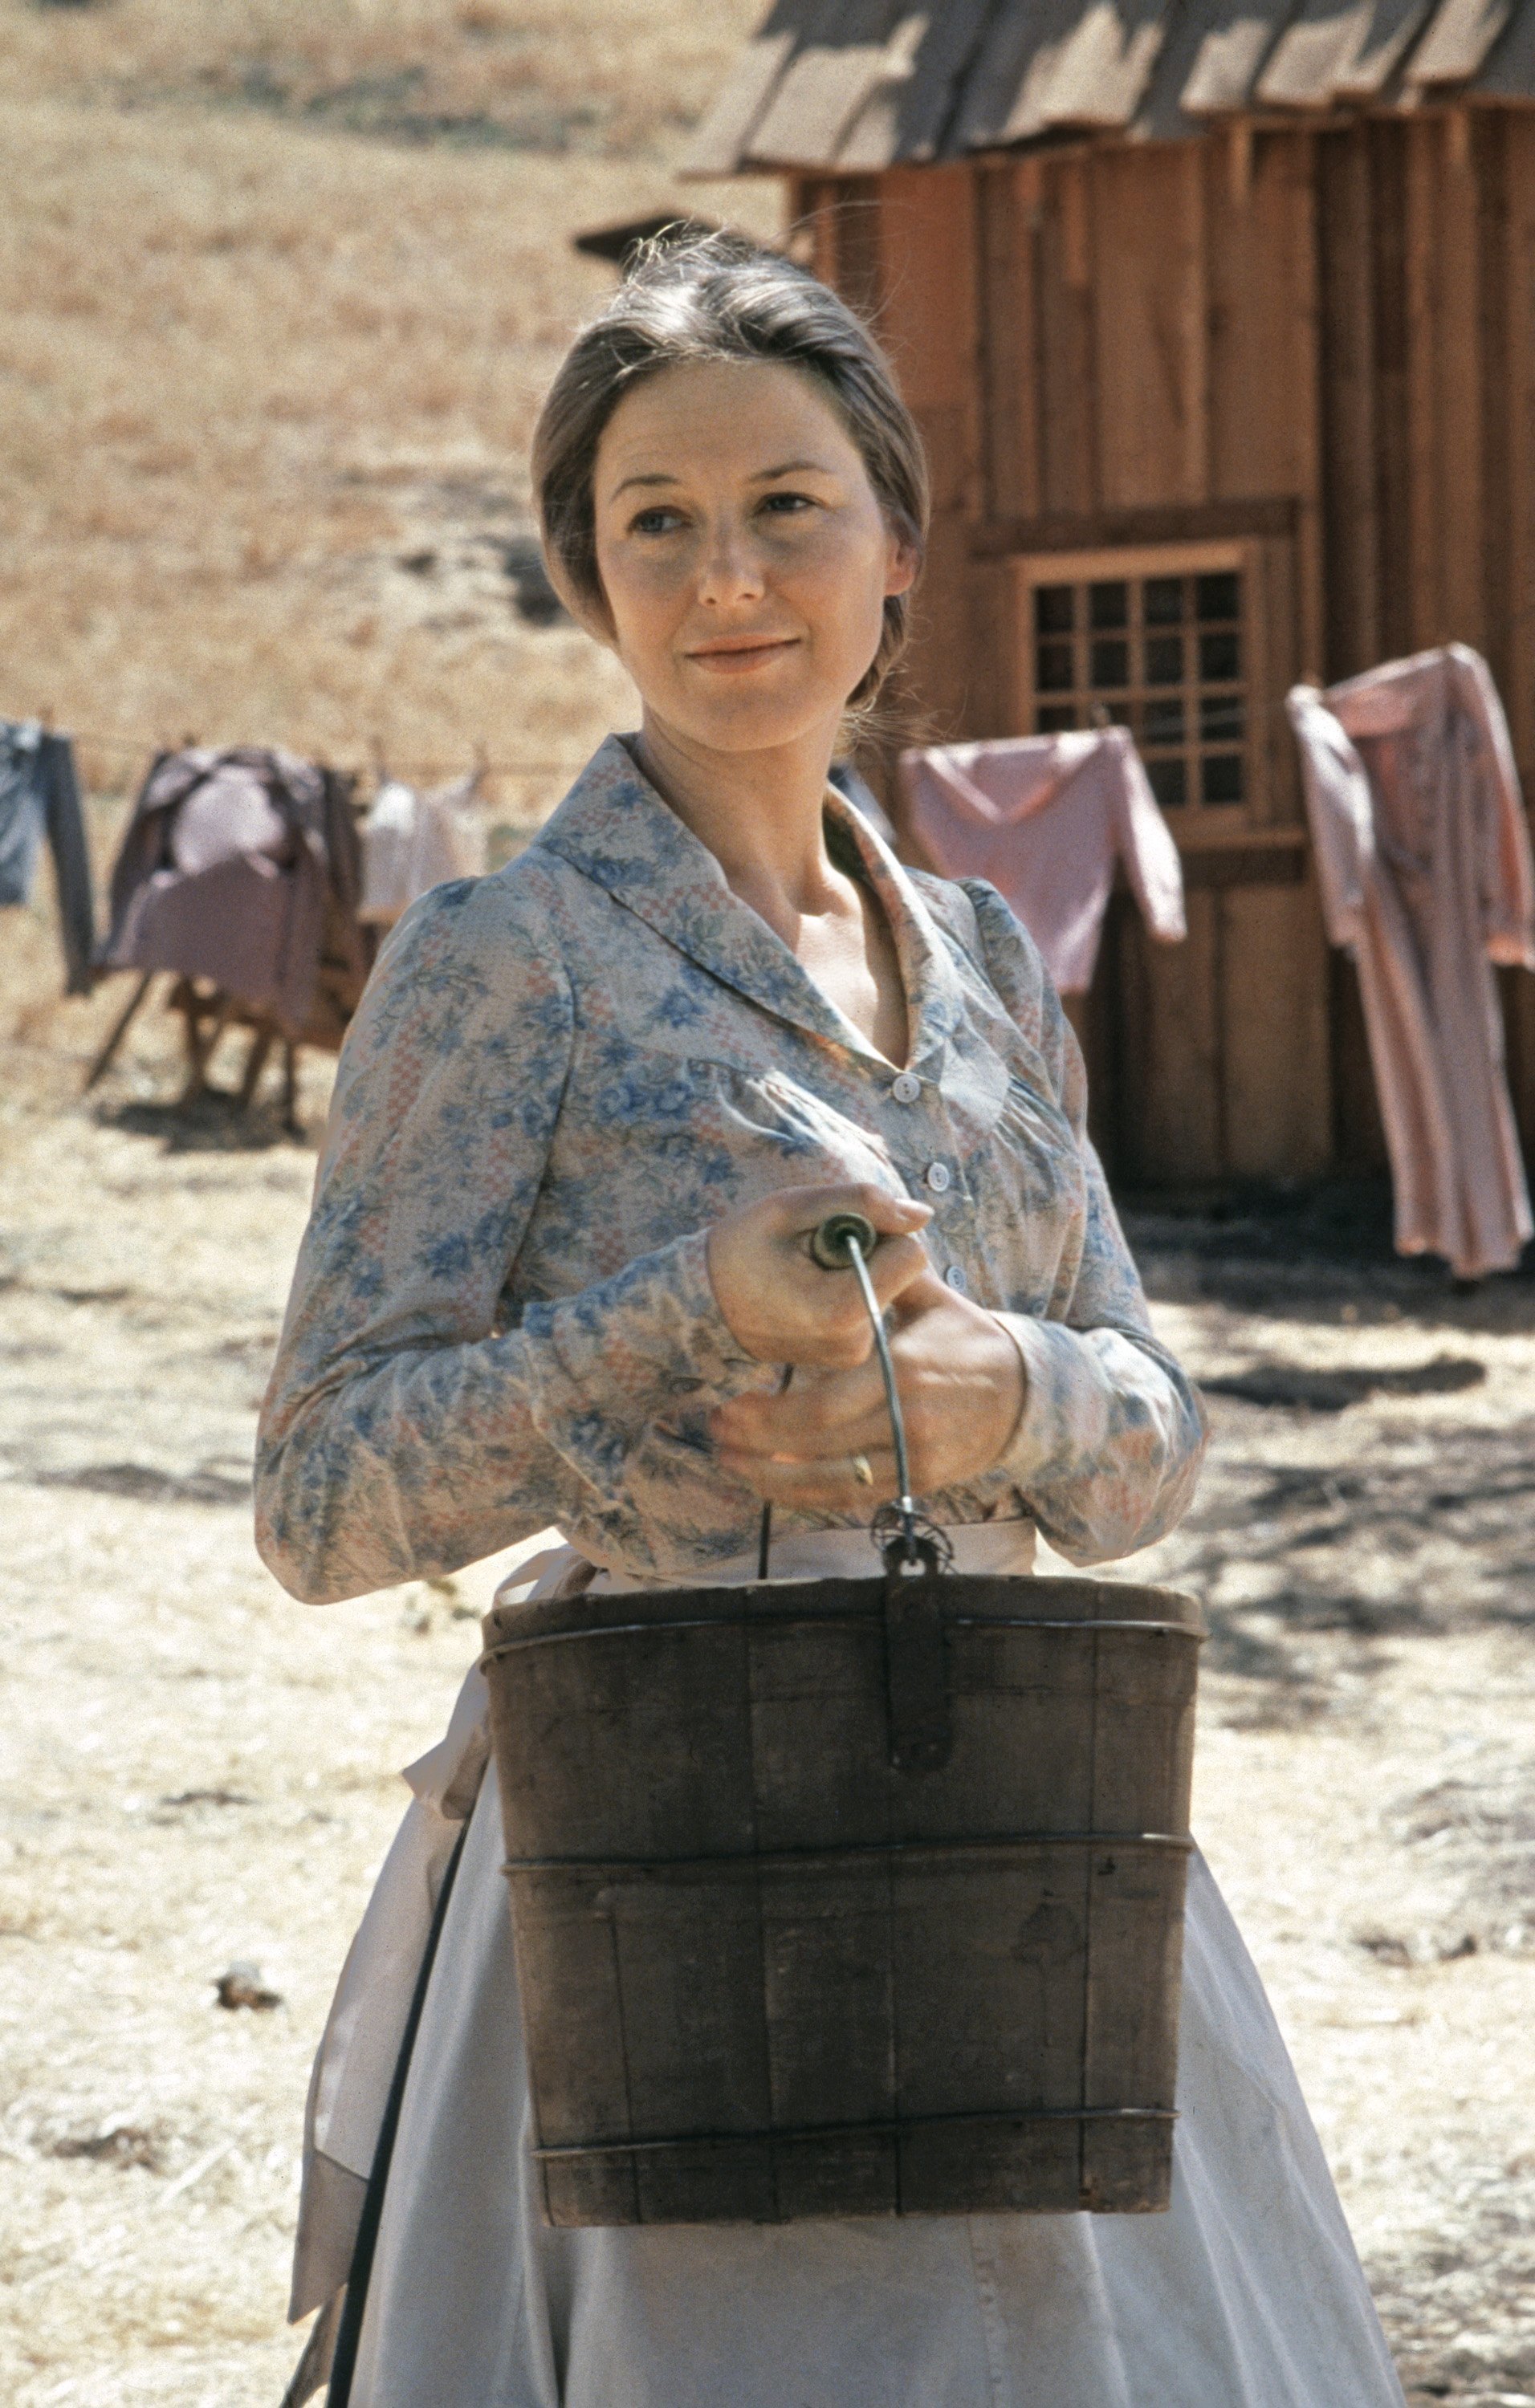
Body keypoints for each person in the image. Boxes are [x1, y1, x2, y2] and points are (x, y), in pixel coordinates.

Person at [256, 234, 1406, 2408]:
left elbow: (1151, 1442)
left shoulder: (984, 960)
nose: (730, 582)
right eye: (656, 526)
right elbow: (318, 1501)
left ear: (898, 533)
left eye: (787, 505)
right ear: (589, 585)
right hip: (651, 1880)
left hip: (1029, 1856)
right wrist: (669, 1317)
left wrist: (1013, 1401)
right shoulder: (502, 961)